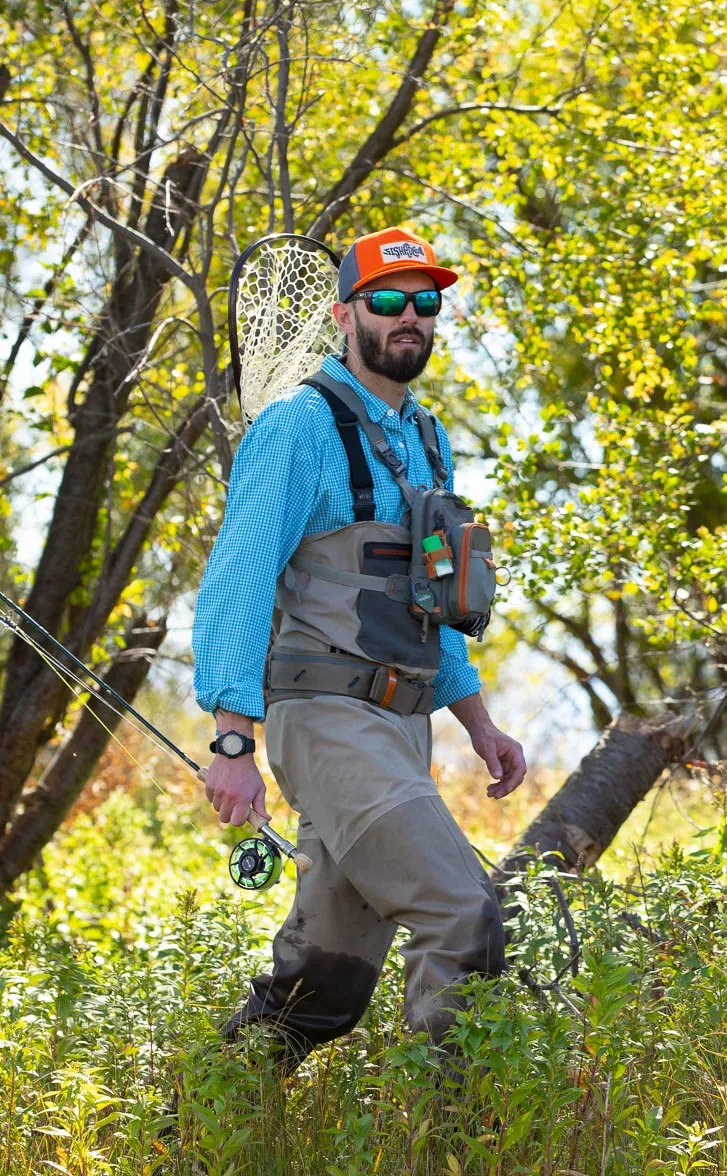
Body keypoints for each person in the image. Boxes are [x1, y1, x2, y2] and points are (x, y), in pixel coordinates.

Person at [192, 226, 526, 1071]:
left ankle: (189, 1145)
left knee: (324, 987)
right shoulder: (297, 426)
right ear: (346, 314)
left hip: (402, 731)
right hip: (329, 721)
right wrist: (233, 743)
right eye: (386, 300)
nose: (409, 315)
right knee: (463, 912)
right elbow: (238, 579)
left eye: (425, 300)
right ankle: (456, 1169)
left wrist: (480, 724)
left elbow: (431, 603)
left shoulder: (429, 438)